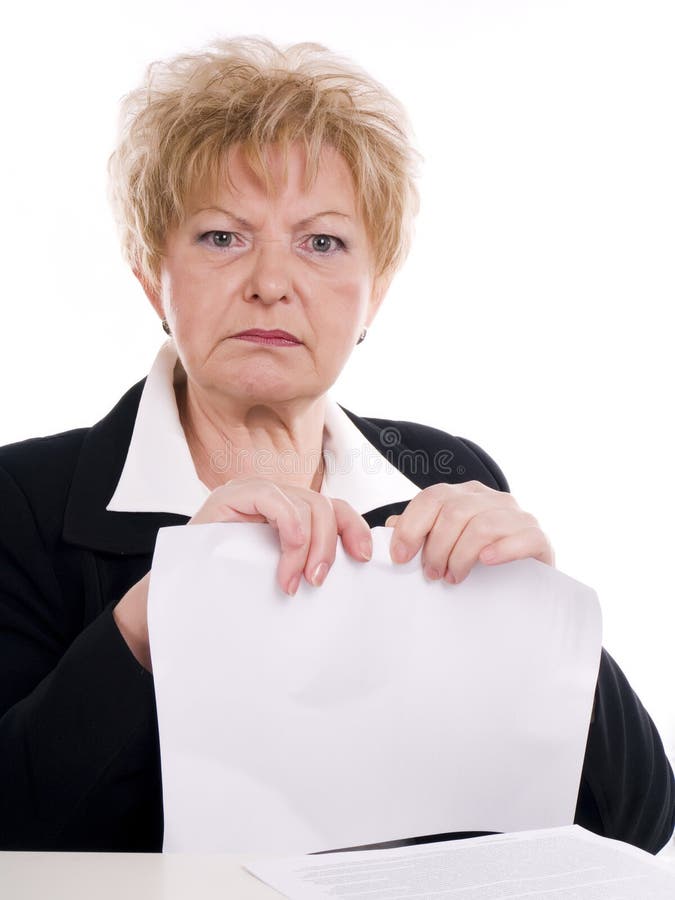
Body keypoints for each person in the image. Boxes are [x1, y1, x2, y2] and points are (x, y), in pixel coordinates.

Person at [0, 36, 673, 854]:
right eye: (221, 237)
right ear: (152, 277)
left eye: (322, 242)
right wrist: (151, 616)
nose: (271, 282)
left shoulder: (446, 474)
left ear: (374, 291)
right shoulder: (24, 500)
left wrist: (542, 614)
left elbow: (635, 824)